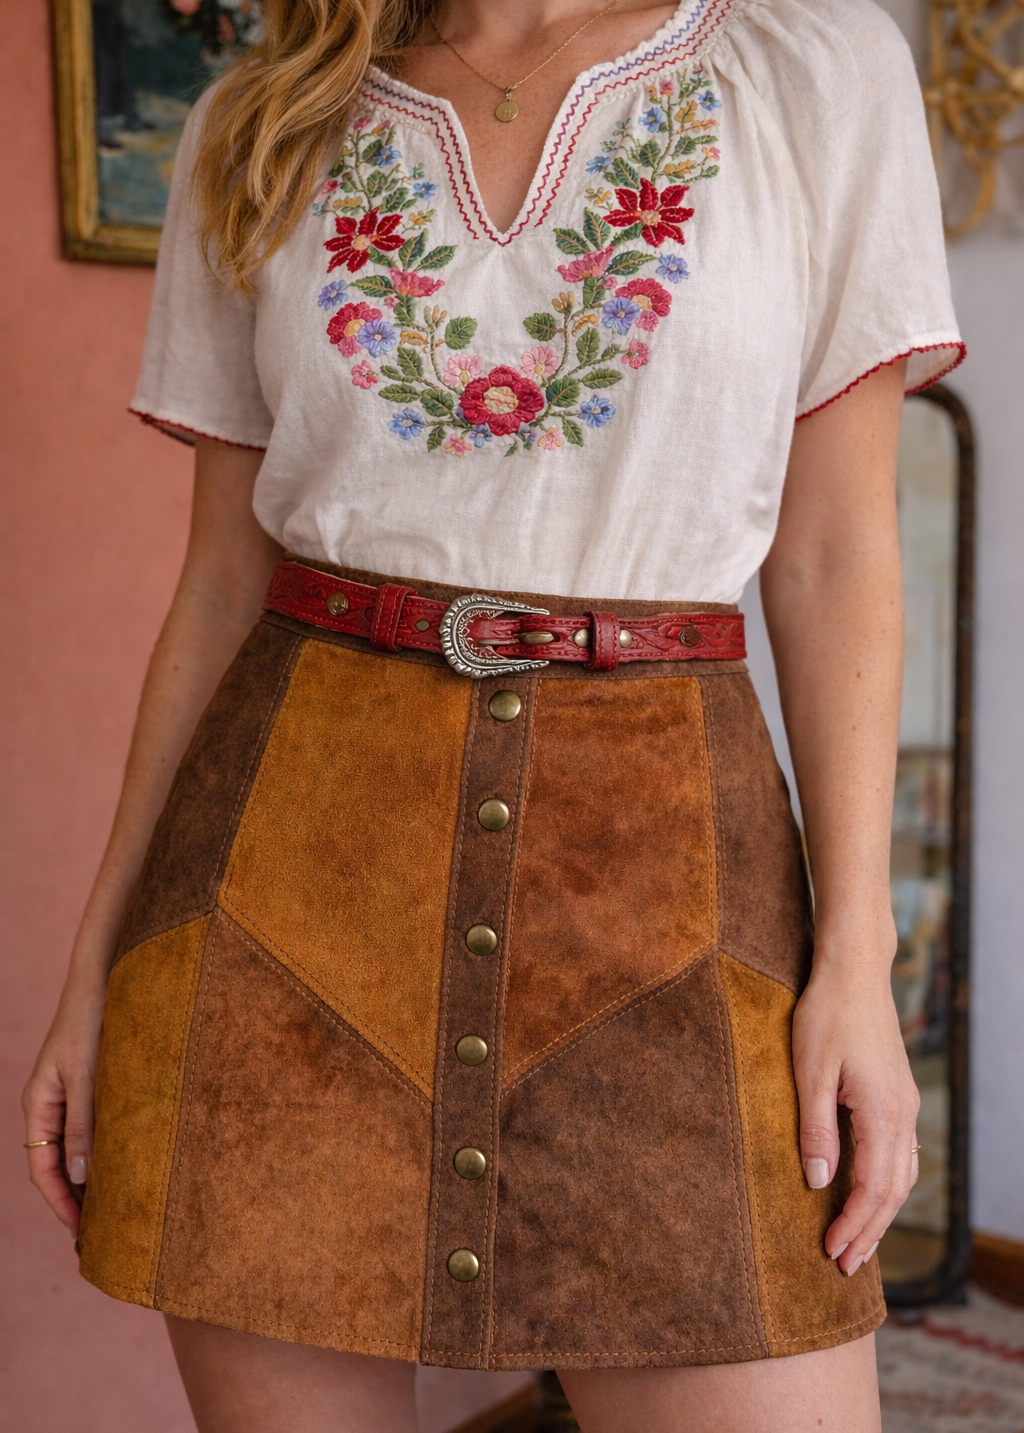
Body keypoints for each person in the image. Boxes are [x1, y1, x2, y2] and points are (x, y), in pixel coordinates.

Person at [24, 0, 963, 1428]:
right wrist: (99, 962)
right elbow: (221, 584)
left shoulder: (811, 69)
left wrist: (858, 963)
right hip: (283, 893)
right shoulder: (265, 114)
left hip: (665, 883)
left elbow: (837, 554)